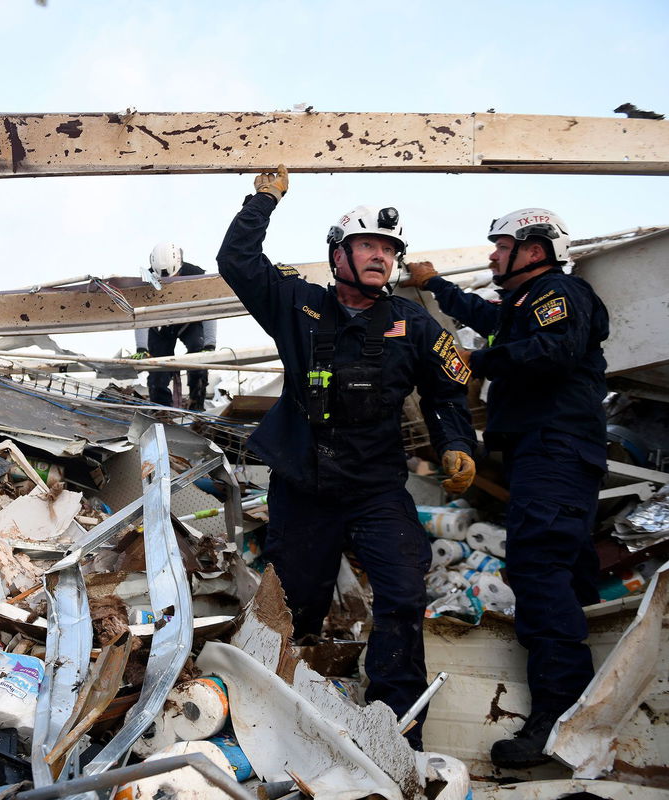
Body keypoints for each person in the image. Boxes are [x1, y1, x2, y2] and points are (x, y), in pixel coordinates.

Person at [216, 165, 477, 750]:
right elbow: (236, 262)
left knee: (405, 594)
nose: (381, 257)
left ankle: (396, 731)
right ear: (338, 255)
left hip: (376, 489)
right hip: (304, 487)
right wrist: (263, 201)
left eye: (388, 249)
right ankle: (267, 720)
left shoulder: (414, 322)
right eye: (367, 246)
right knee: (294, 608)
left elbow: (447, 392)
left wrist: (457, 442)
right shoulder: (298, 306)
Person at [406, 208, 609, 768]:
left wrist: (477, 360)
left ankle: (558, 716)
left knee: (538, 567)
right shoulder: (525, 305)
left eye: (501, 246)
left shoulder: (560, 292)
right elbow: (489, 317)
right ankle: (593, 704)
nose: (492, 255)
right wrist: (434, 285)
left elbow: (553, 350)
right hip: (547, 451)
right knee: (565, 569)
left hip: (556, 447)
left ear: (536, 249)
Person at [133, 241, 217, 410]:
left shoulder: (196, 275)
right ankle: (161, 410)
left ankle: (196, 405)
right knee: (158, 369)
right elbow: (140, 314)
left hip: (188, 321)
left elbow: (211, 308)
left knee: (198, 353)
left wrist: (210, 344)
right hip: (160, 326)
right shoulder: (145, 280)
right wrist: (142, 348)